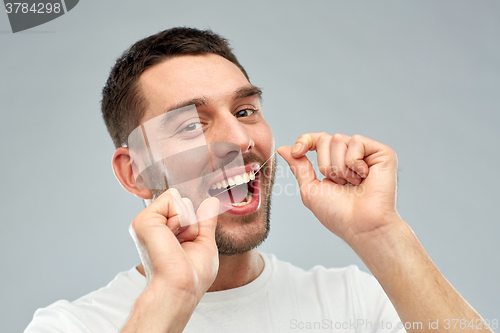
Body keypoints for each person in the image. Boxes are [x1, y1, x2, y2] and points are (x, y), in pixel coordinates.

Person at [25, 27, 493, 333]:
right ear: (135, 171)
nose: (238, 138)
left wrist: (381, 234)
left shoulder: (355, 302)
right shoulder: (70, 325)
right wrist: (170, 299)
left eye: (245, 111)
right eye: (192, 124)